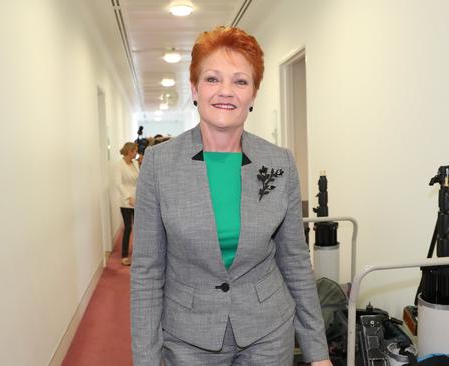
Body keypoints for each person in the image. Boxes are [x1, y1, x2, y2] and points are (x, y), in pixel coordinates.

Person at [131, 26, 331, 365]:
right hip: (187, 338)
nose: (226, 91)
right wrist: (146, 359)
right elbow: (147, 272)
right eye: (212, 79)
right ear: (194, 89)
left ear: (253, 94)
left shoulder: (278, 162)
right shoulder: (159, 164)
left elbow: (295, 260)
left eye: (240, 81)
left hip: (268, 332)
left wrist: (317, 351)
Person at [117, 142, 139, 266]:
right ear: (129, 151)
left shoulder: (135, 163)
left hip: (138, 200)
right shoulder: (119, 165)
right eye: (135, 151)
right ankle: (124, 255)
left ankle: (137, 253)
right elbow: (118, 184)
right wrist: (128, 197)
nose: (136, 153)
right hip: (126, 202)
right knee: (128, 227)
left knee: (138, 228)